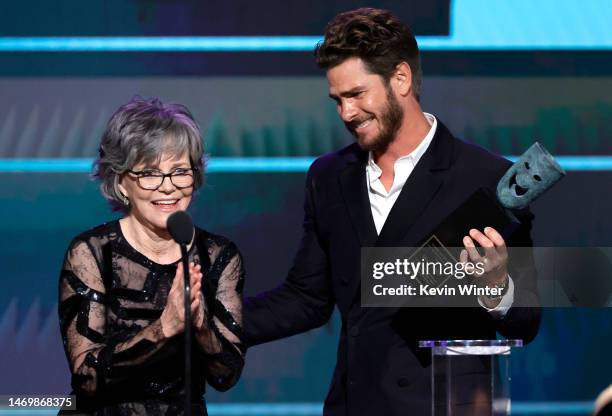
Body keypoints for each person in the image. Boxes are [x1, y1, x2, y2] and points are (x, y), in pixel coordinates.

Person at [243, 8, 540, 415]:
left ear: (400, 78)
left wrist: (495, 286)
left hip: (443, 404)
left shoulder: (486, 178)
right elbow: (306, 299)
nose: (346, 113)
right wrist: (210, 320)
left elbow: (527, 318)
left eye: (356, 95)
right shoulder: (329, 177)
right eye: (338, 100)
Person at [58, 97, 245, 415]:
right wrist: (163, 328)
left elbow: (226, 375)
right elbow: (86, 378)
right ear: (120, 181)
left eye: (180, 171)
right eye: (149, 173)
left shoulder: (217, 255)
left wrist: (200, 327)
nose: (168, 187)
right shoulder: (92, 252)